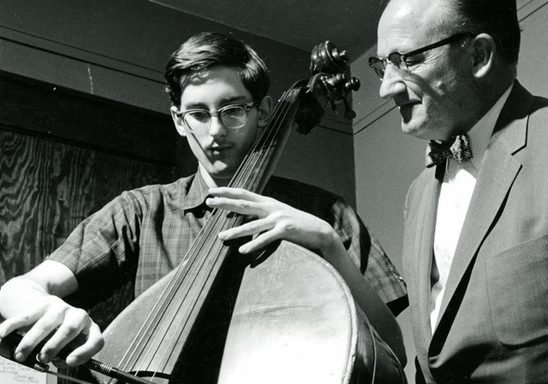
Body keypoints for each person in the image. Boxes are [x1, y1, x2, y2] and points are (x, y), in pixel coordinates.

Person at [0, 32, 407, 372]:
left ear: (263, 110)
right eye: (197, 113)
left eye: (233, 110)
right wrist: (46, 307)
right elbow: (19, 289)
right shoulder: (144, 211)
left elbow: (393, 353)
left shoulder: (325, 214)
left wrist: (328, 244)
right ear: (179, 120)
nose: (215, 131)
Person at [369, 0, 548, 382]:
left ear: (479, 55)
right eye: (382, 65)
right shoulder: (418, 194)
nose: (386, 88)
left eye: (407, 60)